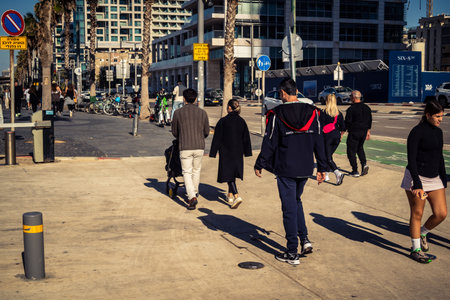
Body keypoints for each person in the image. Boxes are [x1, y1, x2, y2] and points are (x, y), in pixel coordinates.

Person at [254, 78, 327, 265]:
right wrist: (322, 167)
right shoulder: (313, 112)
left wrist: (260, 163)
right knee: (296, 202)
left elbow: (269, 142)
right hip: (305, 167)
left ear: (284, 93)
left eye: (280, 93)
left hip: (286, 167)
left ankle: (292, 252)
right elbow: (320, 140)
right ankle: (305, 240)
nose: (280, 96)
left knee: (289, 209)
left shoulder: (276, 114)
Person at [401, 99, 447, 263]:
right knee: (417, 213)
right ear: (428, 115)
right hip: (416, 177)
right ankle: (415, 249)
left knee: (441, 213)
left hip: (434, 178)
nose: (440, 119)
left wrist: (443, 177)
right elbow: (411, 159)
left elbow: (439, 156)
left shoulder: (438, 132)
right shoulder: (417, 132)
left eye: (442, 116)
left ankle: (423, 232)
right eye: (437, 116)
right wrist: (417, 184)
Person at [209, 99, 252, 209]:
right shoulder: (242, 121)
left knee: (228, 174)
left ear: (229, 108)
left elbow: (217, 138)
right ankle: (230, 195)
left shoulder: (223, 121)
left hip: (226, 152)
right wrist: (247, 152)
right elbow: (246, 138)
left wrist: (213, 152)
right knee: (232, 172)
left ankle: (237, 195)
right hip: (238, 152)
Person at [171, 88, 210, 210]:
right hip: (199, 145)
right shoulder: (203, 113)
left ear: (184, 98)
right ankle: (195, 192)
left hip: (185, 146)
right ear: (195, 99)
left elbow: (174, 131)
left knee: (186, 172)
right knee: (196, 170)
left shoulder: (178, 113)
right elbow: (206, 131)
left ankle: (192, 196)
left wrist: (181, 136)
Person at [345, 90, 372, 177]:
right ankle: (364, 164)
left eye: (350, 96)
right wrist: (368, 131)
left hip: (354, 132)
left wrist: (342, 132)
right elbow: (369, 121)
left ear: (353, 97)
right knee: (360, 148)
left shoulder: (351, 109)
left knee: (351, 151)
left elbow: (347, 122)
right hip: (363, 132)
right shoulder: (367, 108)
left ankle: (355, 170)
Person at [322, 94, 346, 185]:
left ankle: (338, 173)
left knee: (327, 158)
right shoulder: (339, 113)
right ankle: (327, 175)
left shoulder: (324, 112)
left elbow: (320, 126)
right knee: (329, 156)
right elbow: (343, 127)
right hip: (336, 137)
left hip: (327, 137)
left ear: (327, 101)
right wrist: (341, 136)